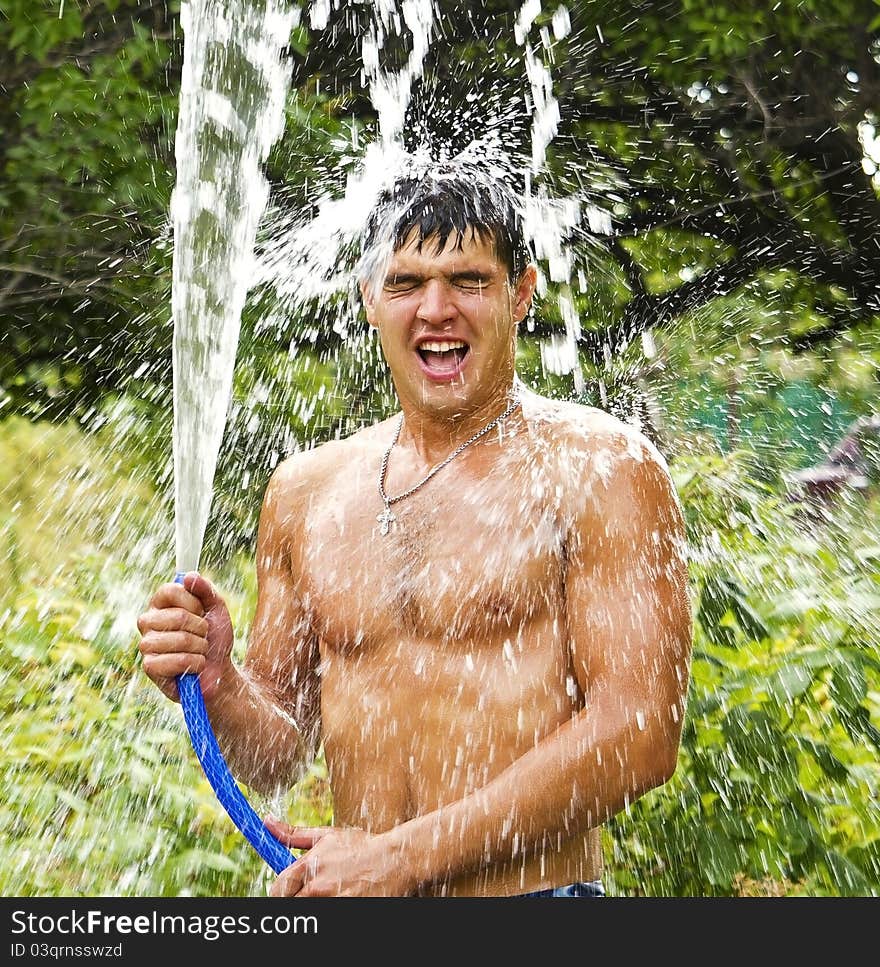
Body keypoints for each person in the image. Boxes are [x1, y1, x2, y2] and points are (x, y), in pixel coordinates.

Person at [136, 165, 694, 897]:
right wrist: (218, 682)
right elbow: (277, 751)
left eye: (467, 279)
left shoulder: (600, 469)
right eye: (404, 283)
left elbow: (640, 733)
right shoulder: (308, 492)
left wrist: (401, 857)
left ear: (519, 292)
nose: (436, 309)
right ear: (369, 297)